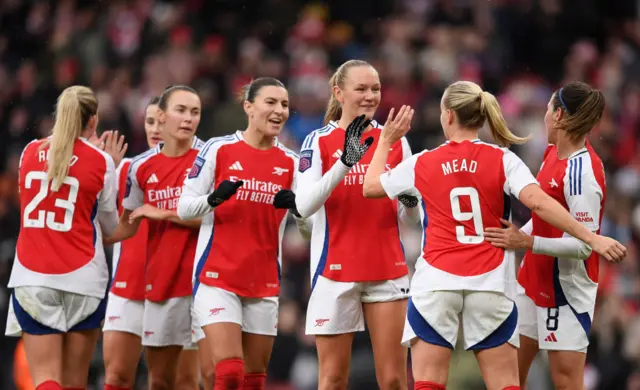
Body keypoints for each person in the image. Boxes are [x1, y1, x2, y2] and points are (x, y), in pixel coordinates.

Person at [361, 81, 626, 390]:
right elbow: (539, 202)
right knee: (507, 383)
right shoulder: (505, 159)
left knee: (428, 383)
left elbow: (370, 187)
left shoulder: (423, 161)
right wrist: (592, 238)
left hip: (436, 281)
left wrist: (386, 142)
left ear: (447, 116)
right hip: (490, 283)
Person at [294, 59, 420, 390]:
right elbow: (304, 206)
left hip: (387, 269)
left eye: (375, 88)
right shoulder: (317, 141)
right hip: (334, 271)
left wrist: (410, 200)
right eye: (361, 88)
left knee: (393, 379)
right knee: (333, 379)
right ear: (338, 93)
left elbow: (411, 217)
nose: (369, 96)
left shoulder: (394, 139)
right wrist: (344, 163)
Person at [177, 77, 307, 390]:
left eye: (285, 105)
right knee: (230, 372)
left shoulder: (292, 163)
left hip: (263, 281)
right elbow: (183, 208)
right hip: (217, 278)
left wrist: (299, 209)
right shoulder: (218, 149)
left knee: (253, 380)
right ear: (248, 107)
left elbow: (311, 229)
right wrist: (213, 200)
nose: (280, 111)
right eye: (271, 103)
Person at [483, 82, 611, 390]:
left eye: (547, 109)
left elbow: (584, 246)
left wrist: (527, 243)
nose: (543, 116)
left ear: (559, 115)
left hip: (565, 290)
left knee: (566, 381)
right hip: (532, 279)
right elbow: (543, 217)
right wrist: (519, 234)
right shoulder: (553, 152)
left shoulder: (583, 174)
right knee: (512, 374)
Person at [4, 85, 126, 390]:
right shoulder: (101, 162)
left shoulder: (29, 152)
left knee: (45, 379)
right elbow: (111, 228)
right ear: (93, 119)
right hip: (83, 279)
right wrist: (108, 162)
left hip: (33, 278)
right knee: (74, 383)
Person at [104, 85, 208, 390]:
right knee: (117, 377)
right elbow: (110, 222)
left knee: (186, 380)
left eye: (193, 112)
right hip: (129, 285)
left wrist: (164, 213)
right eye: (149, 122)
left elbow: (217, 217)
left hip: (181, 281)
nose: (156, 128)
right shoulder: (129, 168)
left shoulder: (203, 159)